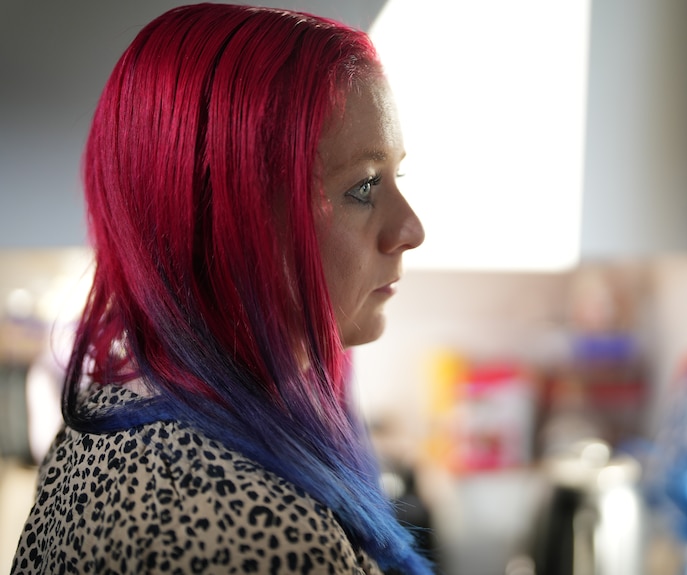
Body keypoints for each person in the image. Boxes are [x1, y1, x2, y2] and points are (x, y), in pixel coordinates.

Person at [11, 3, 429, 574]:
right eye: (363, 186)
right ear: (228, 220)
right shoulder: (266, 534)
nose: (411, 230)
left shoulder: (102, 418)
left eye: (395, 177)